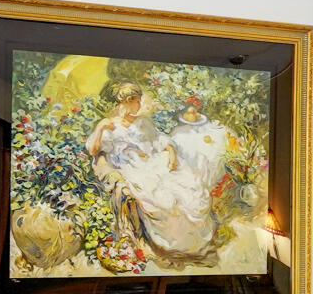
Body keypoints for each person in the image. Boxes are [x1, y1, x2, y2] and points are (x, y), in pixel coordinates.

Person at [84, 83, 220, 266]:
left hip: (154, 162)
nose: (139, 105)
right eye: (136, 101)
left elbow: (159, 139)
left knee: (192, 190)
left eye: (140, 100)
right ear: (125, 102)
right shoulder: (110, 126)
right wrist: (100, 128)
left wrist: (171, 152)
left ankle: (193, 246)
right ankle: (175, 246)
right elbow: (93, 150)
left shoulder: (143, 122)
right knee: (164, 200)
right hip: (132, 167)